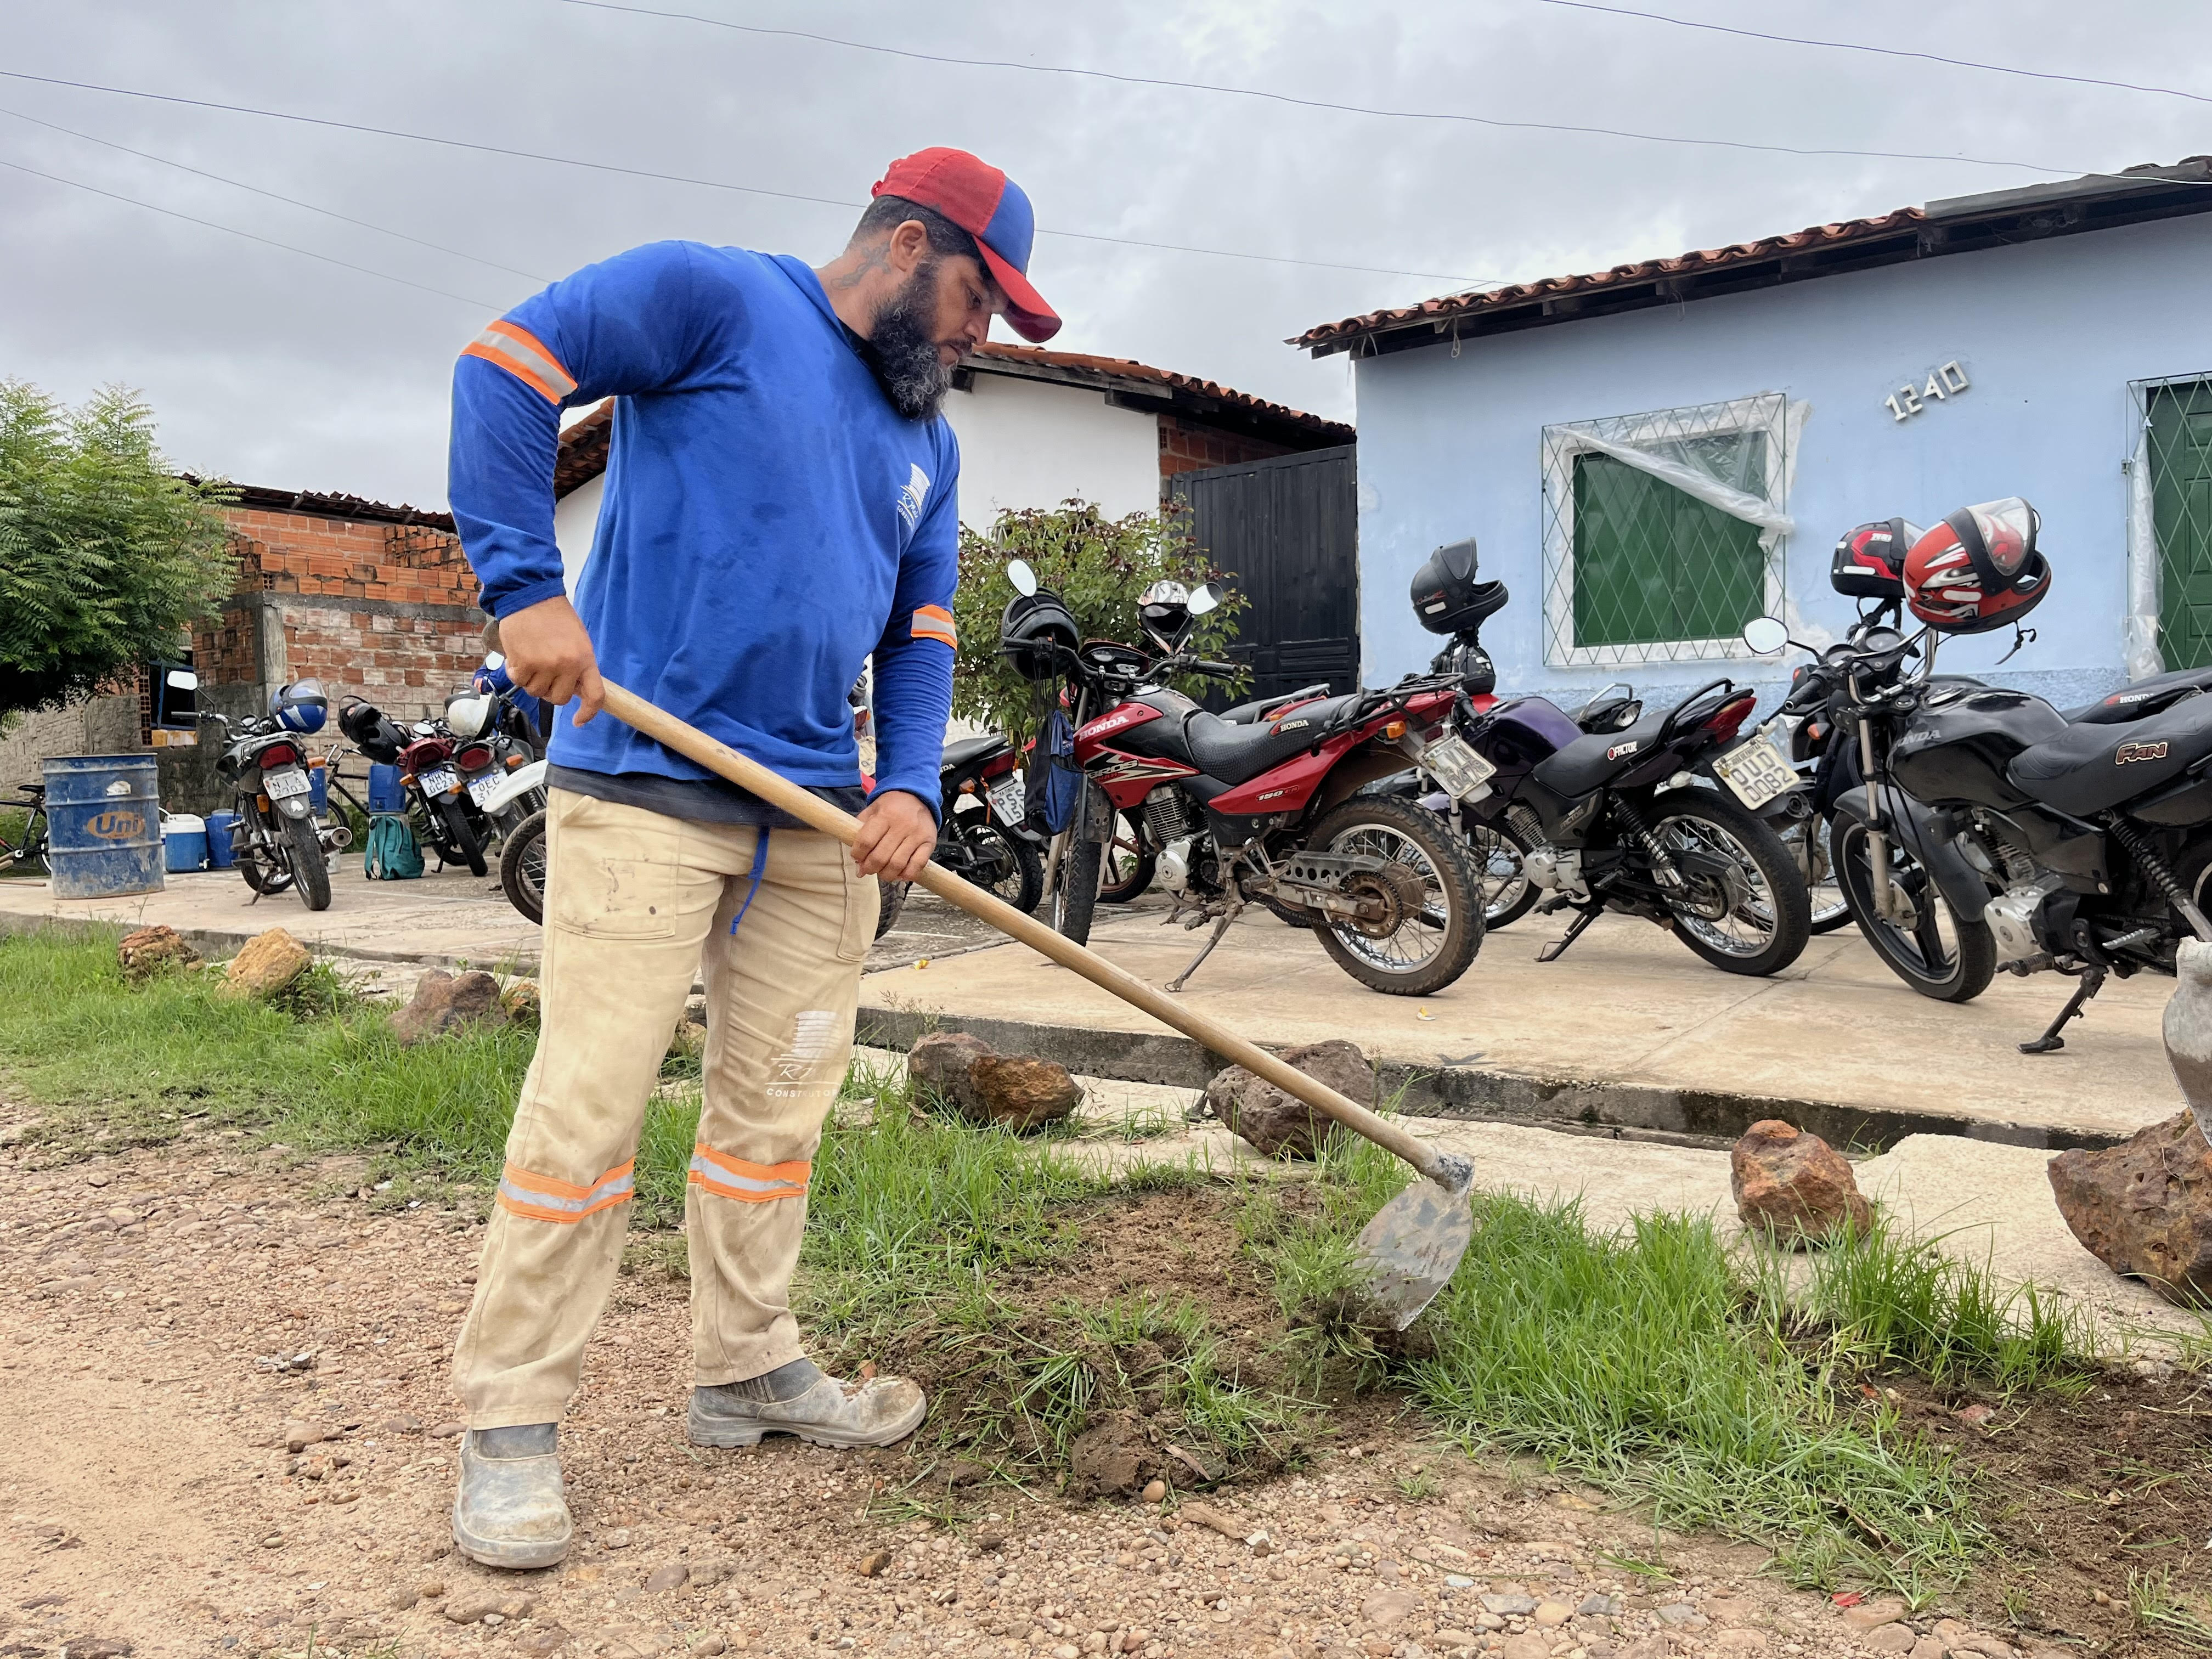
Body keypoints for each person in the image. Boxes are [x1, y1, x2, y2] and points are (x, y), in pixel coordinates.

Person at [441, 148, 1059, 1569]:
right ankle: (513, 1426)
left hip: (812, 819)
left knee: (778, 1111)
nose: (977, 339)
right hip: (645, 788)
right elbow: (505, 366)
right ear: (910, 247)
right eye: (978, 301)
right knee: (591, 1112)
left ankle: (745, 1366)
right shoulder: (712, 300)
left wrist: (908, 784)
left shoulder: (928, 443)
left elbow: (923, 629)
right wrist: (524, 586)